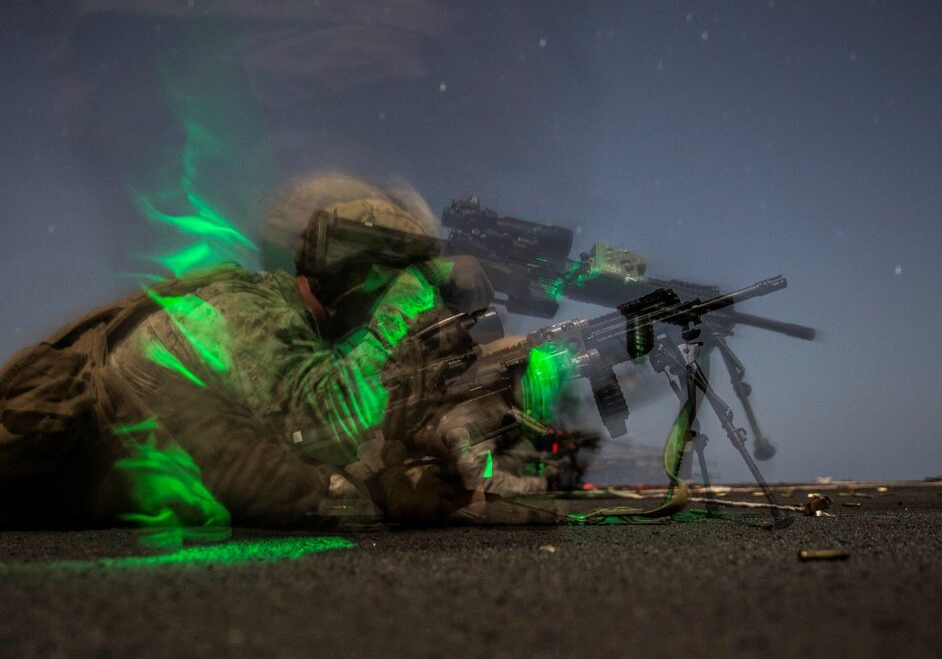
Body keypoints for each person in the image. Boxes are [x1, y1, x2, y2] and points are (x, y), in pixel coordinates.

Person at [0, 173, 560, 535]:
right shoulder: (248, 313)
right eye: (388, 281)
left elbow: (292, 441)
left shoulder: (285, 331)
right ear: (358, 277)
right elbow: (328, 418)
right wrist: (414, 291)